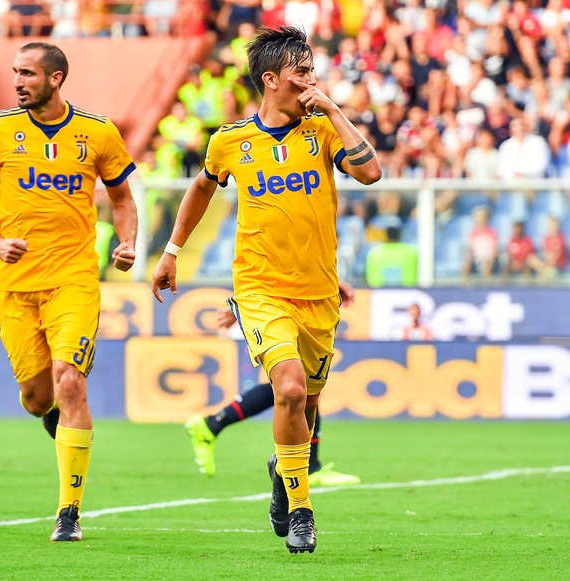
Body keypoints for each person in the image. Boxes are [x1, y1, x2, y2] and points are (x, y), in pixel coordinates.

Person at [151, 26, 381, 554]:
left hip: (319, 292)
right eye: (302, 73)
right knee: (291, 388)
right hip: (259, 290)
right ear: (271, 80)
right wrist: (172, 251)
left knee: (309, 404)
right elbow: (202, 186)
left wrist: (335, 110)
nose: (311, 80)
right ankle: (303, 512)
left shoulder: (322, 132)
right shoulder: (230, 141)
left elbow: (370, 172)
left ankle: (284, 474)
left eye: (313, 72)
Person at [0, 42, 139, 542]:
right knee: (39, 399)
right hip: (14, 285)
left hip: (73, 279)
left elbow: (122, 196)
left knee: (71, 382)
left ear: (55, 79)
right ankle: (58, 423)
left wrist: (127, 242)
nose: (17, 81)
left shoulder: (98, 132)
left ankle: (68, 514)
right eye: (15, 72)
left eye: (28, 73)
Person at [184, 280, 361, 487]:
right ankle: (309, 468)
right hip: (279, 304)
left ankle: (213, 424)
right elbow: (282, 257)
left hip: (296, 300)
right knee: (297, 383)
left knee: (300, 384)